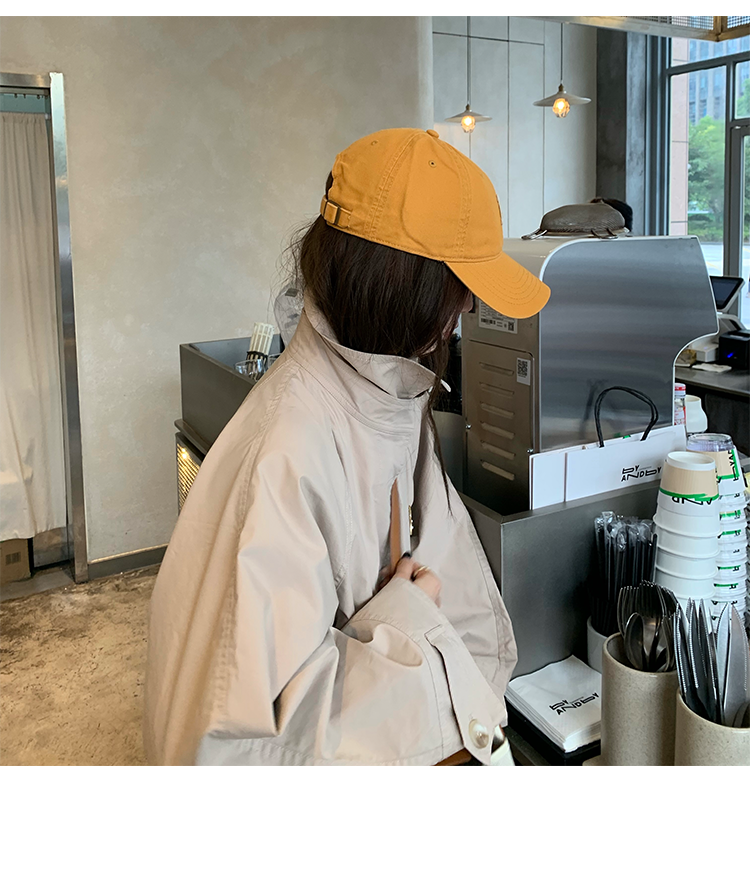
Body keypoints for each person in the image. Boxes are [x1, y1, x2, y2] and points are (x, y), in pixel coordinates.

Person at [143, 127, 550, 766]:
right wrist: (407, 618)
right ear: (400, 285)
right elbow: (244, 747)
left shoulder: (387, 395)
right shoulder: (288, 449)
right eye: (459, 284)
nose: (468, 307)